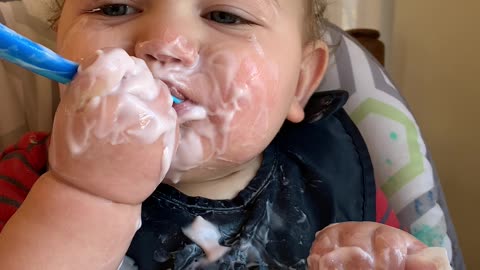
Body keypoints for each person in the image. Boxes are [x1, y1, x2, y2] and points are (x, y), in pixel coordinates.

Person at [0, 0, 444, 269]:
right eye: (114, 8)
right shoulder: (28, 181)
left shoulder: (337, 180)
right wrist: (87, 194)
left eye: (226, 15)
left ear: (301, 83)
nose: (165, 42)